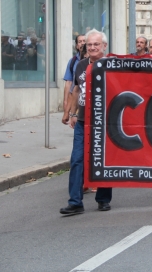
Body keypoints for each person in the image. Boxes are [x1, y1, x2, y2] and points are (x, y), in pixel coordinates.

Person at [60, 29, 112, 215]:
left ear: (104, 46)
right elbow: (76, 90)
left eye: (96, 44)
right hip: (83, 121)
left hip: (104, 122)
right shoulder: (81, 65)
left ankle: (103, 199)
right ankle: (75, 202)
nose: (92, 47)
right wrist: (71, 113)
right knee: (77, 160)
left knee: (103, 160)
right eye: (89, 45)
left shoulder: (111, 65)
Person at [63, 35, 86, 112]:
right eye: (80, 42)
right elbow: (69, 82)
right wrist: (66, 101)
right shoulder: (72, 61)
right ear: (76, 46)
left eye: (84, 41)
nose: (82, 43)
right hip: (75, 101)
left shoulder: (94, 60)